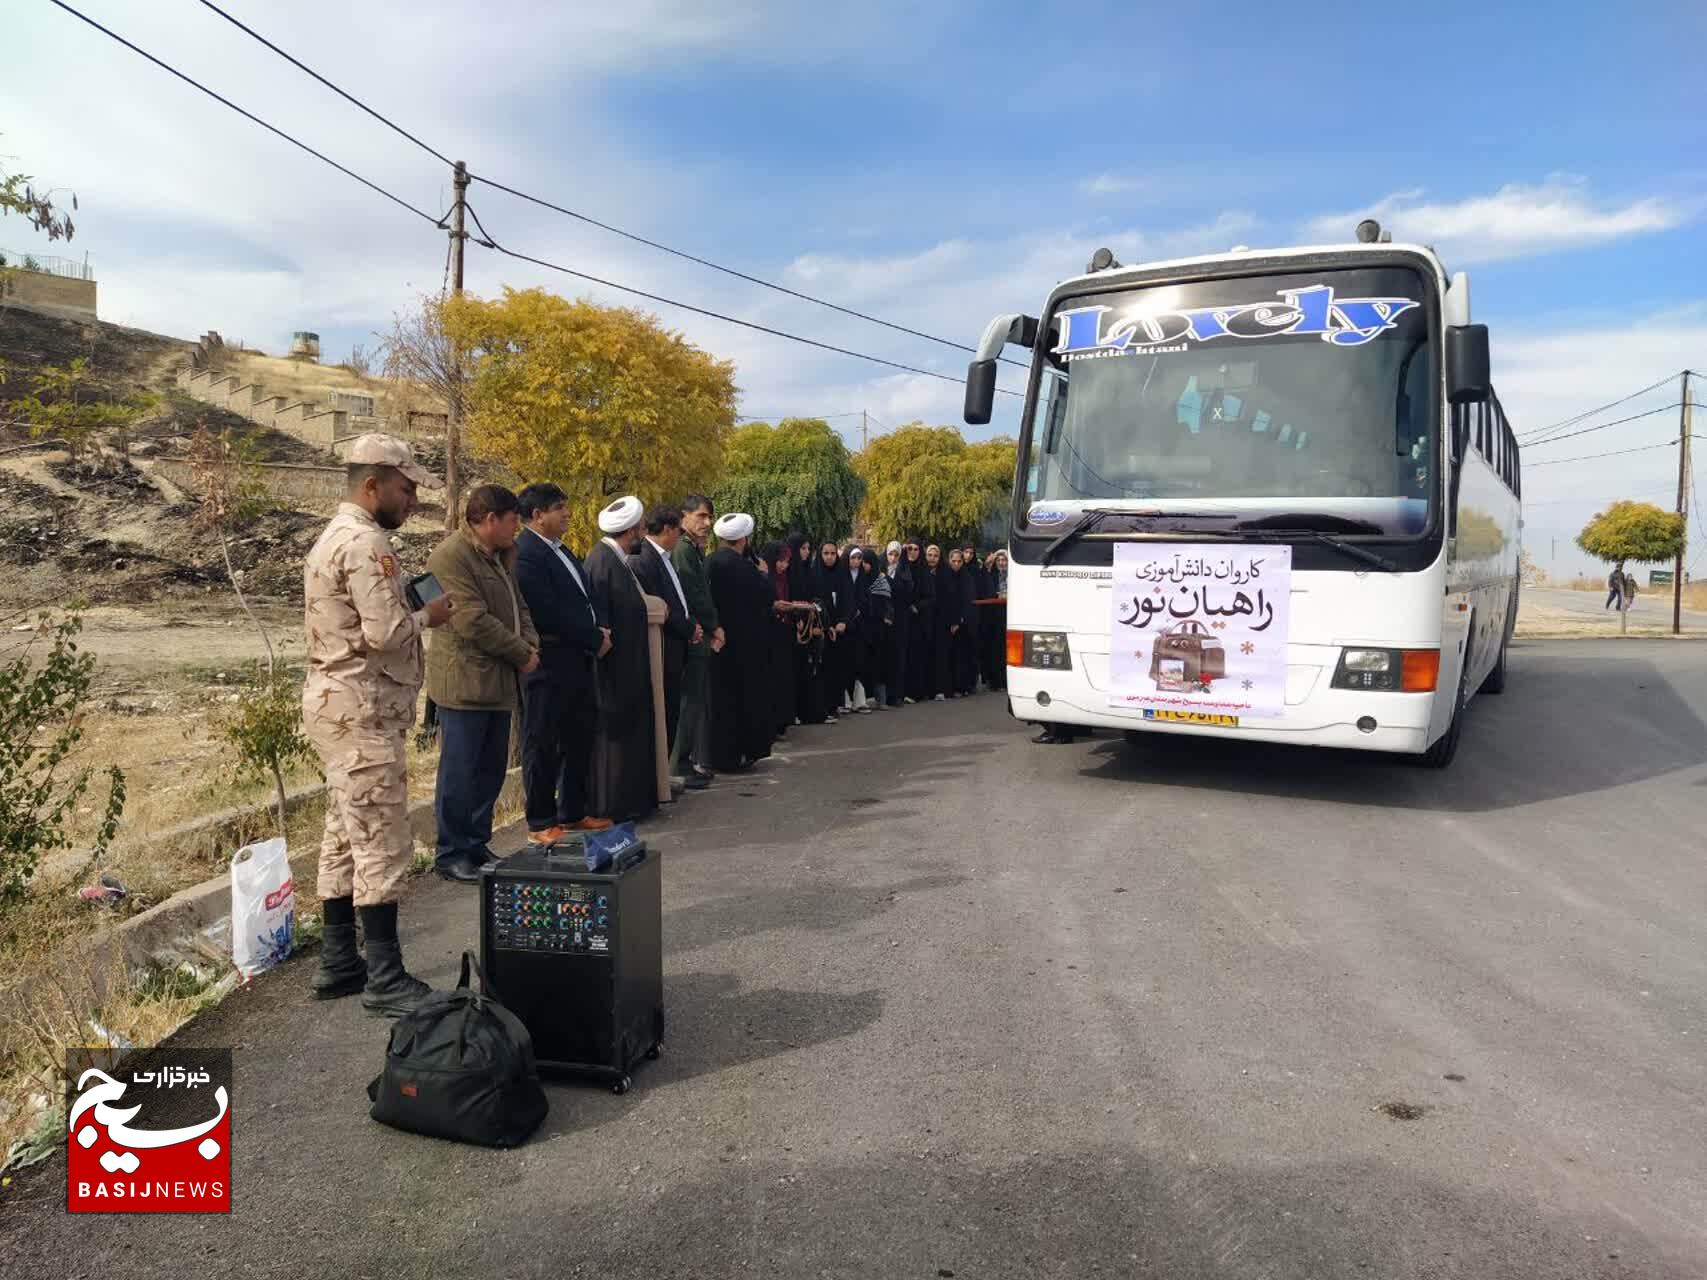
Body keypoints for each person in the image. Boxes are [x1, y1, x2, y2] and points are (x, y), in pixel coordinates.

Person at [302, 434, 453, 1017]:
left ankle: (340, 960)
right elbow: (385, 633)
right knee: (383, 839)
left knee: (344, 831)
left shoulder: (333, 538)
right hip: (361, 708)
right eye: (405, 486)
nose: (412, 498)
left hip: (340, 705)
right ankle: (385, 977)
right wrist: (430, 614)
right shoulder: (366, 543)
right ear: (373, 485)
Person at [426, 484, 539, 885]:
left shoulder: (497, 557)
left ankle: (475, 843)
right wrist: (520, 652)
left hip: (496, 682)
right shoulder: (452, 556)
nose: (516, 530)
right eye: (513, 521)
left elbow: (517, 606)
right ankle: (451, 852)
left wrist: (530, 643)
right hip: (464, 682)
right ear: (490, 519)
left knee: (490, 769)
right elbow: (470, 619)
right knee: (460, 771)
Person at [513, 483, 613, 844]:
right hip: (550, 659)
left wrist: (598, 628)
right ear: (538, 515)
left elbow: (585, 595)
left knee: (578, 735)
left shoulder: (562, 550)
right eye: (560, 508)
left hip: (577, 658)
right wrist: (592, 638)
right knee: (542, 739)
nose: (567, 514)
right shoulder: (526, 553)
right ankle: (541, 819)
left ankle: (573, 810)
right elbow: (547, 611)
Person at [585, 495, 660, 823]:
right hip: (615, 673)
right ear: (630, 532)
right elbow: (602, 624)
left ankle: (631, 803)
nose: (644, 535)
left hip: (629, 669)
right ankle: (614, 805)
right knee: (614, 744)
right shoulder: (603, 562)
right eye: (641, 529)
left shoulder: (616, 560)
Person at [629, 504, 706, 792]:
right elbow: (658, 607)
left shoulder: (665, 558)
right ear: (668, 530)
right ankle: (659, 777)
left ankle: (664, 776)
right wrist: (687, 628)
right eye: (677, 531)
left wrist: (691, 625)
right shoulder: (643, 560)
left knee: (672, 712)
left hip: (677, 646)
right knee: (662, 715)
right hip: (662, 647)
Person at [706, 513, 775, 770]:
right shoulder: (746, 567)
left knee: (722, 701)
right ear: (743, 539)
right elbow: (766, 596)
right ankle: (741, 754)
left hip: (719, 641)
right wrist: (765, 575)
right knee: (744, 701)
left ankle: (720, 756)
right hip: (746, 646)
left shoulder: (710, 562)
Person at [671, 495, 723, 787]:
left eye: (709, 518)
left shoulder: (693, 548)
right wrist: (714, 626)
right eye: (701, 516)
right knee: (688, 701)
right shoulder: (684, 550)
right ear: (684, 516)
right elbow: (694, 594)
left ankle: (685, 760)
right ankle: (678, 763)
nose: (707, 523)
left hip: (699, 633)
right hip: (693, 634)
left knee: (694, 701)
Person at [789, 533, 835, 725]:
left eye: (808, 548)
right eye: (803, 548)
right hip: (796, 629)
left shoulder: (809, 571)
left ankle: (813, 712)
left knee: (813, 669)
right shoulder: (791, 572)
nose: (806, 552)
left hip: (812, 630)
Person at [760, 541, 802, 738]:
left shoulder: (786, 579)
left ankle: (783, 721)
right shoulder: (763, 578)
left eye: (786, 562)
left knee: (784, 677)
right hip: (769, 635)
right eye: (780, 561)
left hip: (785, 633)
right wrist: (774, 607)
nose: (783, 566)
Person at [882, 541, 913, 707]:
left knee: (898, 657)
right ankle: (883, 696)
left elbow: (906, 591)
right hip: (884, 620)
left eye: (896, 555)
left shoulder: (904, 572)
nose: (893, 558)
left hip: (900, 620)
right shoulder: (880, 570)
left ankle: (896, 695)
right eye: (890, 554)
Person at [932, 545, 964, 700]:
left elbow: (957, 600)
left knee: (951, 656)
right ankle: (939, 689)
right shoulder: (940, 574)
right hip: (937, 621)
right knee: (939, 656)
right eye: (954, 561)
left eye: (959, 561)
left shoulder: (955, 576)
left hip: (951, 622)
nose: (956, 564)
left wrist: (956, 620)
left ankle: (949, 689)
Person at [905, 541, 935, 703]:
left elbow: (931, 596)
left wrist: (917, 606)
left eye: (916, 549)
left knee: (917, 656)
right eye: (909, 549)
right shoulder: (902, 568)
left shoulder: (924, 572)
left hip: (919, 620)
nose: (913, 552)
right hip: (903, 620)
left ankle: (916, 691)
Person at [982, 549, 1009, 692]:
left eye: (1004, 560)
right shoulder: (991, 575)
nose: (1001, 563)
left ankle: (1006, 681)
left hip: (1008, 615)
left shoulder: (1015, 576)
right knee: (995, 649)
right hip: (993, 616)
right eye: (999, 560)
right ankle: (995, 681)